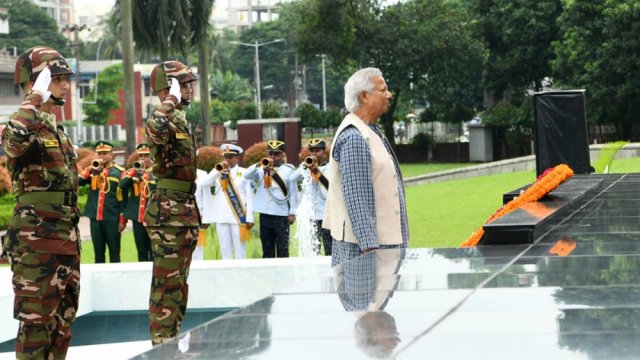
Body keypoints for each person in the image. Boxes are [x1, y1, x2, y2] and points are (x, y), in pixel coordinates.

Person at [1, 46, 80, 359]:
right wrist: (34, 95)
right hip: (36, 241)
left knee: (62, 323)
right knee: (37, 325)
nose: (65, 85)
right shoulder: (27, 123)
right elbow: (11, 142)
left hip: (63, 236)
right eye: (57, 78)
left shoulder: (54, 128)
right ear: (37, 81)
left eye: (64, 78)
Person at [323, 67, 409, 268]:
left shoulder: (369, 131)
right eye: (383, 90)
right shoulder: (355, 137)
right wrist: (370, 251)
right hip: (365, 252)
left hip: (382, 246)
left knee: (380, 299)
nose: (389, 95)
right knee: (365, 298)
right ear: (364, 96)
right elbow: (357, 198)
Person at [144, 60, 201, 345]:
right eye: (184, 83)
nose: (191, 88)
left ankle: (171, 341)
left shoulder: (179, 120)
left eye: (190, 83)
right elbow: (154, 128)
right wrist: (170, 100)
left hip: (183, 210)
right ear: (170, 87)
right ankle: (161, 347)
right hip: (169, 214)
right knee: (167, 286)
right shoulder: (163, 118)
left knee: (178, 285)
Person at [334, 249, 404, 358]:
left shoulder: (360, 301)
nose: (399, 338)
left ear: (372, 338)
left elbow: (363, 245)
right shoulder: (375, 305)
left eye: (392, 340)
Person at [197, 144, 254, 259]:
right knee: (225, 251)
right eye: (225, 157)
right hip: (221, 217)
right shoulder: (217, 173)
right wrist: (216, 171)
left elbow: (250, 196)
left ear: (237, 158)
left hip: (238, 218)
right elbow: (202, 184)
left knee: (240, 252)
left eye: (230, 157)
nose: (227, 160)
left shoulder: (244, 173)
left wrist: (250, 217)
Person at [244, 140, 297, 258]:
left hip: (281, 215)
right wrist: (258, 164)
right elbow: (246, 175)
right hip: (265, 214)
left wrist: (292, 212)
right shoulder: (260, 170)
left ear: (283, 155)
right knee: (267, 249)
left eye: (276, 154)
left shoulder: (288, 170)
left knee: (282, 249)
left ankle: (283, 274)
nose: (273, 157)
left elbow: (293, 194)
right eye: (271, 154)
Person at [79, 141, 126, 263]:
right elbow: (78, 182)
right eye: (99, 153)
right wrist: (90, 170)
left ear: (111, 155)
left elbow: (123, 198)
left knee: (114, 253)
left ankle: (115, 280)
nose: (102, 156)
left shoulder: (119, 172)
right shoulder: (92, 170)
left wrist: (122, 219)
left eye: (105, 153)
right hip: (95, 217)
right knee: (98, 254)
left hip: (112, 218)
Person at [290, 138, 332, 255]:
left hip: (326, 215)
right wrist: (305, 165)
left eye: (317, 151)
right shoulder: (306, 168)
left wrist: (317, 172)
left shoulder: (331, 168)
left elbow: (328, 193)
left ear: (324, 152)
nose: (314, 154)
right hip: (311, 216)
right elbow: (291, 178)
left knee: (330, 249)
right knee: (313, 251)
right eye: (312, 151)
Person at [119, 143, 156, 261]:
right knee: (141, 251)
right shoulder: (132, 172)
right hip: (137, 218)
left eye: (146, 155)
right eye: (141, 156)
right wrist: (134, 173)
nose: (143, 158)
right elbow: (122, 185)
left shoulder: (156, 173)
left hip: (153, 218)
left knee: (154, 251)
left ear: (152, 157)